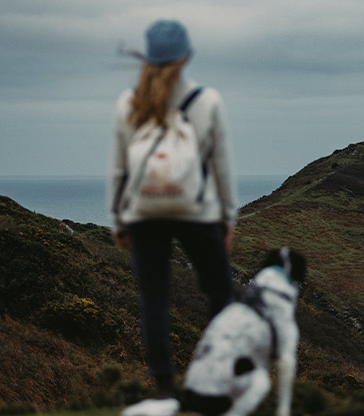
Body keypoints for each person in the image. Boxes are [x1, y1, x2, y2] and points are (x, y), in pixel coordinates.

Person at [107, 19, 238, 415]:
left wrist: (118, 219)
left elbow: (119, 170)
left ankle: (164, 388)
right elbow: (221, 165)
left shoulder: (128, 104)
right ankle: (215, 379)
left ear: (147, 57)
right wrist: (228, 217)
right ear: (187, 57)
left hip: (143, 212)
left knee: (154, 297)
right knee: (218, 291)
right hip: (194, 211)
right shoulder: (207, 100)